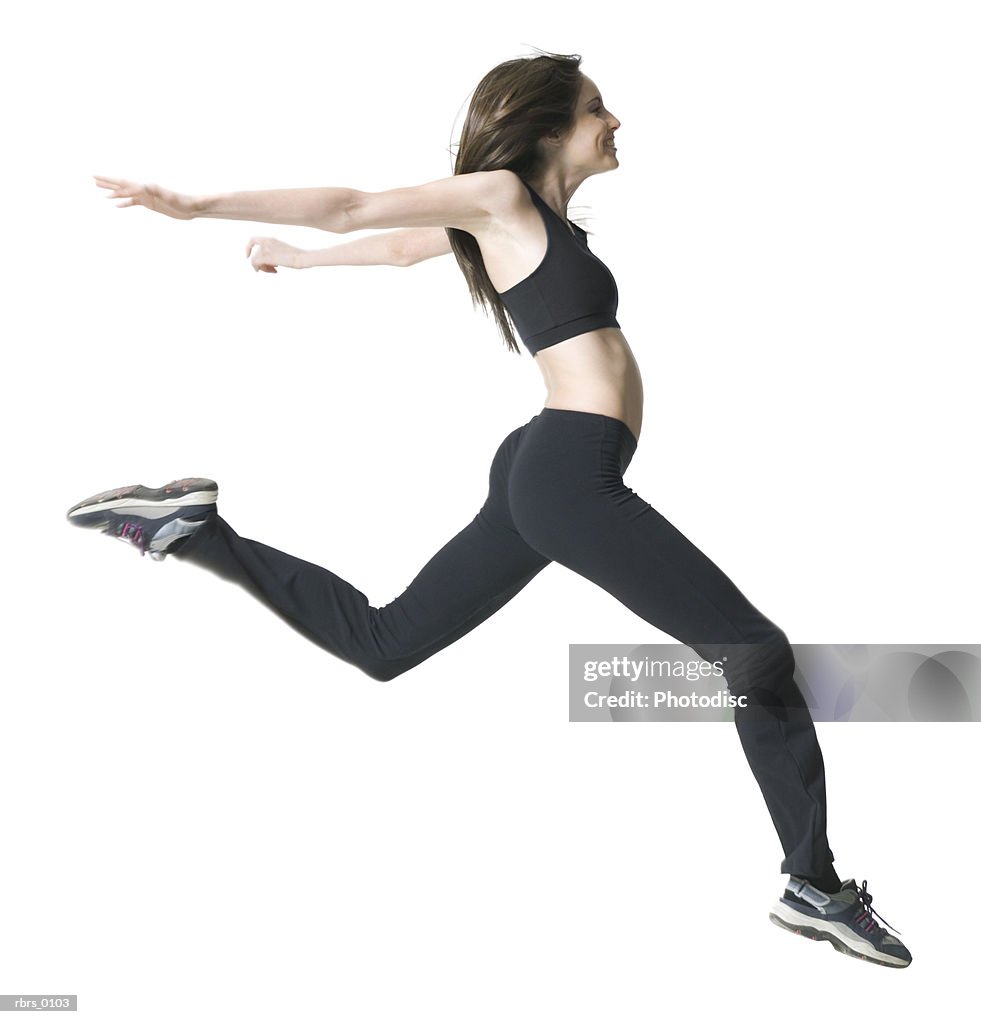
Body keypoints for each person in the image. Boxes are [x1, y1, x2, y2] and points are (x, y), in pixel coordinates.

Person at [67, 51, 910, 968]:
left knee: (385, 644)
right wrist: (199, 208)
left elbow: (395, 245)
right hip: (565, 476)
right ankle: (814, 887)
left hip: (545, 467)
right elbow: (355, 203)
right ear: (548, 127)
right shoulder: (502, 196)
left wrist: (304, 262)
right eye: (596, 109)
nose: (614, 121)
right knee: (754, 653)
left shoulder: (525, 219)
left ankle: (194, 532)